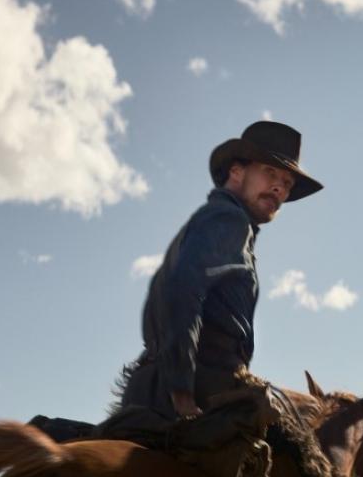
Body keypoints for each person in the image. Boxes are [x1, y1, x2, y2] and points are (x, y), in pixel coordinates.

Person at [118, 120, 324, 419]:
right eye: (270, 172)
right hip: (199, 390)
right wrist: (182, 391)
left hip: (160, 383)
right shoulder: (229, 220)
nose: (279, 188)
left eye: (287, 183)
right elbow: (184, 291)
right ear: (236, 172)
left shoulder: (218, 221)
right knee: (299, 442)